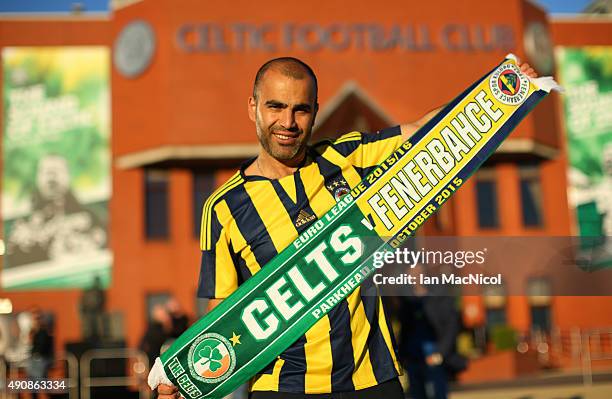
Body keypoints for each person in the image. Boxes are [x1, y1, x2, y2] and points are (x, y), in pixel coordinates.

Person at [157, 57, 537, 399]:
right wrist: (188, 379)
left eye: (300, 109)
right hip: (283, 388)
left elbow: (425, 131)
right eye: (276, 106)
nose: (288, 123)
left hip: (373, 380)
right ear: (253, 107)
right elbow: (222, 313)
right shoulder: (224, 208)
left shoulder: (345, 156)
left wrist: (503, 89)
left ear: (315, 112)